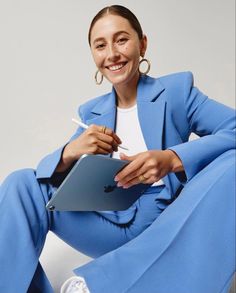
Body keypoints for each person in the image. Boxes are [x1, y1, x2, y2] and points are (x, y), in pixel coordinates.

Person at [0, 4, 235, 293]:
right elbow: (48, 178)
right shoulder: (91, 112)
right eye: (100, 45)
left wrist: (172, 159)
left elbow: (233, 129)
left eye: (121, 39)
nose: (111, 53)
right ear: (93, 55)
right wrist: (70, 152)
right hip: (109, 221)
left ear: (142, 44)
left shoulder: (177, 91)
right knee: (20, 183)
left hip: (169, 223)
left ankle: (100, 284)